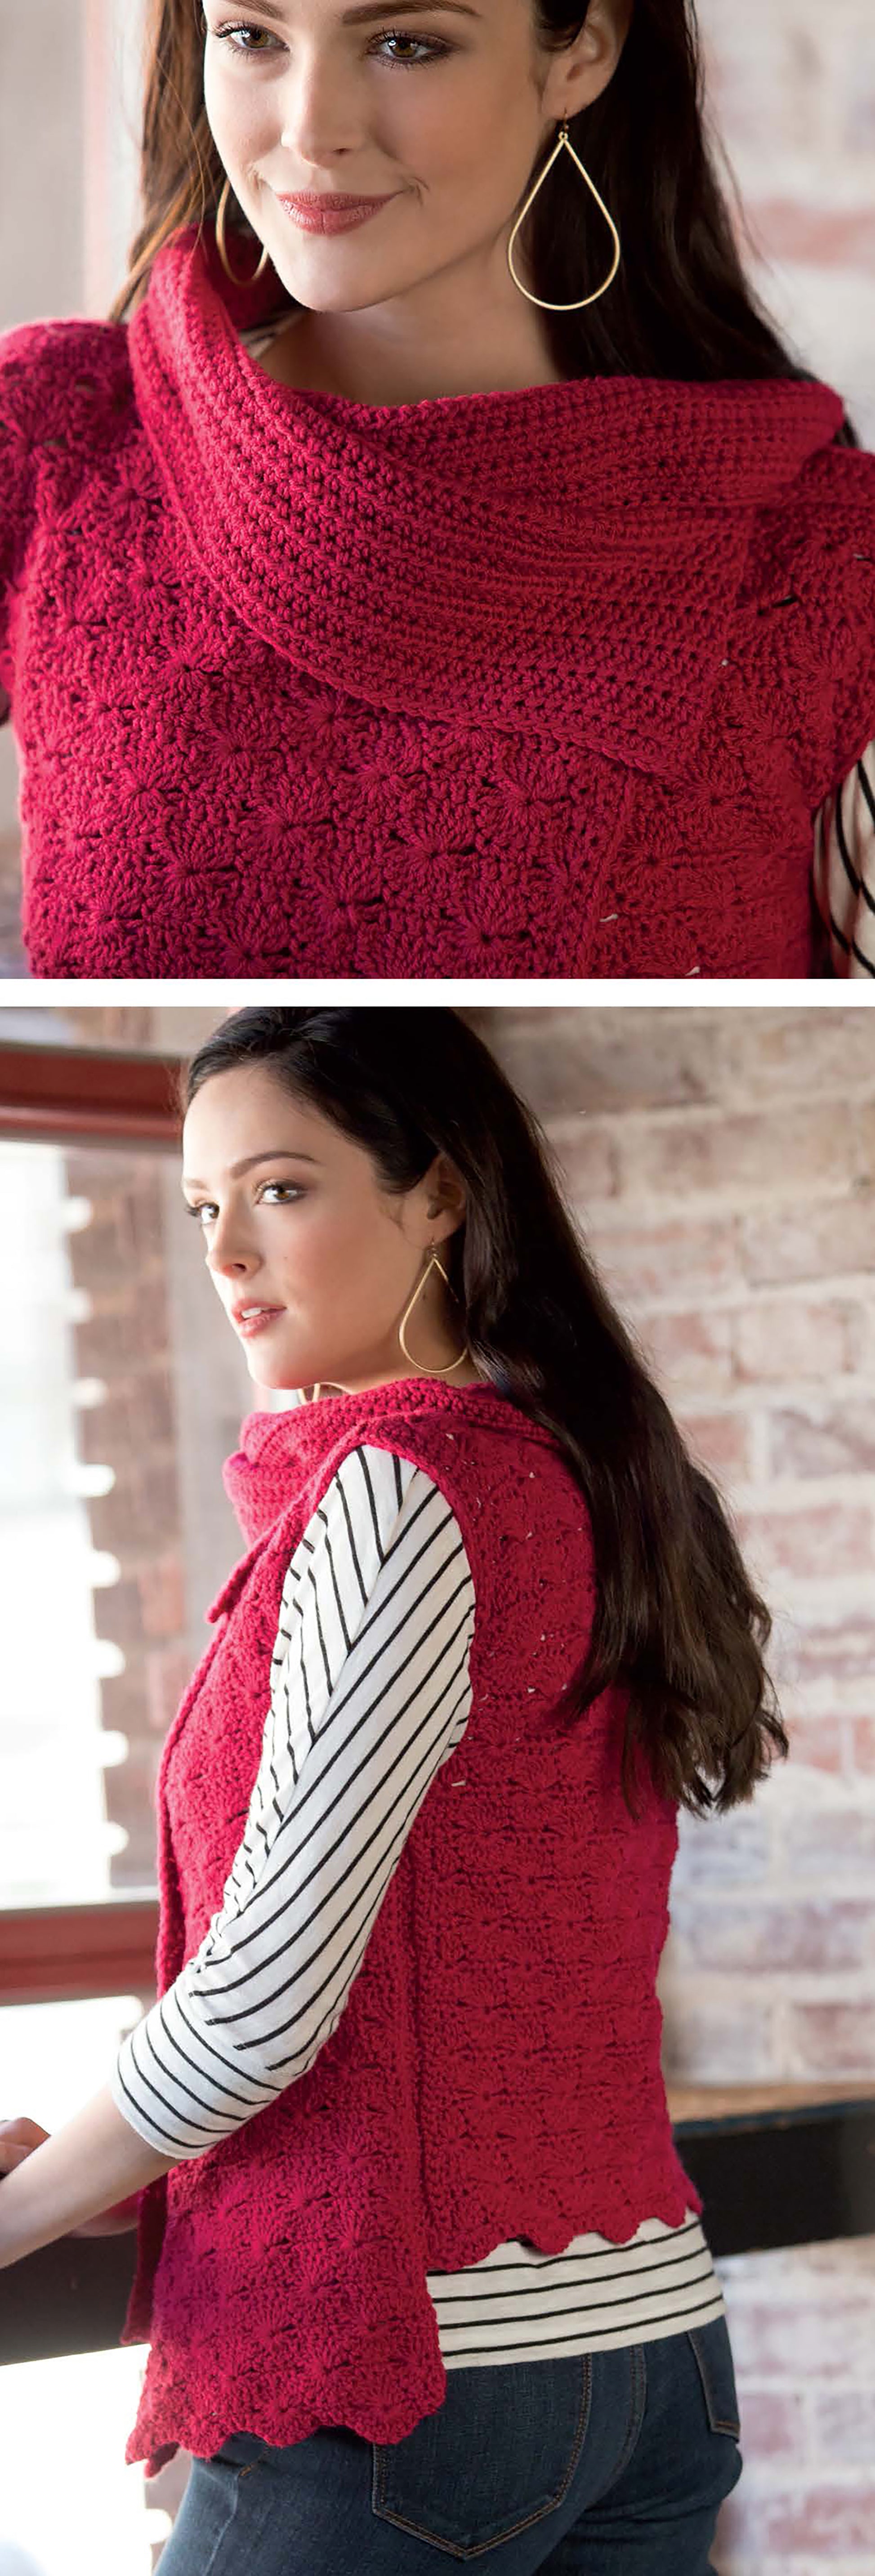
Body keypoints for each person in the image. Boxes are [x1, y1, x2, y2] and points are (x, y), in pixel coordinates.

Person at [0, 1004, 791, 2572]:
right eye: (204, 1206)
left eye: (282, 1189)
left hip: (416, 2380)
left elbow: (261, 2003)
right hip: (649, 2352)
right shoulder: (576, 1469)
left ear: (438, 1193)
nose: (228, 1252)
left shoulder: (396, 1486)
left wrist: (13, 2220)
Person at [0, 2, 874, 982]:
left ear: (584, 50)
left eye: (404, 44)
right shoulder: (55, 436)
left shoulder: (827, 567)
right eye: (252, 37)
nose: (309, 128)